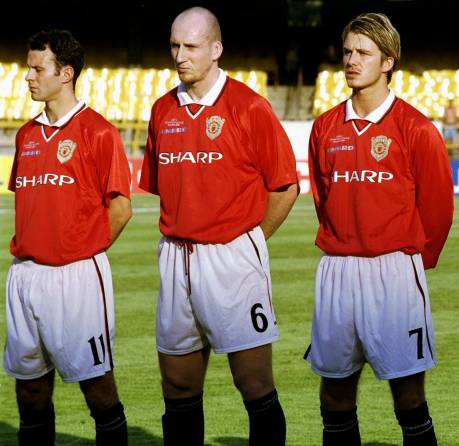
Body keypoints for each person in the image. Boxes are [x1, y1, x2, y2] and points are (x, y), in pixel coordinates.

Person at [139, 6, 298, 446]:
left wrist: (249, 241)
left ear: (216, 48)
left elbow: (285, 187)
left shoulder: (249, 106)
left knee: (253, 383)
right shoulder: (161, 111)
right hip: (176, 257)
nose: (180, 55)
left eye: (190, 46)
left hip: (233, 259)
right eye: (174, 45)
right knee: (178, 387)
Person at [306, 12, 454, 446]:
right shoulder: (325, 127)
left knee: (407, 393)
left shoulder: (417, 128)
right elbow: (322, 197)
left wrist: (410, 263)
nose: (351, 60)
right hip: (337, 271)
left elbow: (438, 210)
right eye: (348, 51)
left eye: (363, 53)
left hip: (394, 272)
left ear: (388, 61)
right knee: (334, 393)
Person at [4, 29, 132, 445]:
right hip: (25, 277)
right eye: (28, 68)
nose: (28, 77)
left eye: (37, 68)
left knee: (97, 389)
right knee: (30, 391)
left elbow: (120, 209)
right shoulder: (25, 136)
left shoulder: (98, 132)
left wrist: (80, 252)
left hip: (77, 278)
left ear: (66, 73)